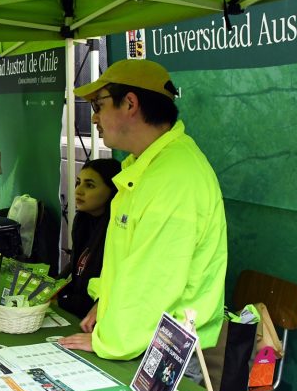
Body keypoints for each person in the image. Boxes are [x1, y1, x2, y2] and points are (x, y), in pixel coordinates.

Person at [59, 59, 226, 363]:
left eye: (99, 104)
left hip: (163, 351)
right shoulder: (147, 166)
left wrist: (110, 341)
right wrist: (106, 304)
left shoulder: (174, 176)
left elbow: (156, 282)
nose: (95, 117)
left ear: (130, 103)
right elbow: (132, 262)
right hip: (141, 337)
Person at [58, 158, 121, 319]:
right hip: (75, 310)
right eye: (78, 183)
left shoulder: (117, 229)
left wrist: (61, 301)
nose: (78, 191)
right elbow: (75, 268)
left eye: (89, 185)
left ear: (112, 190)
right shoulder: (82, 220)